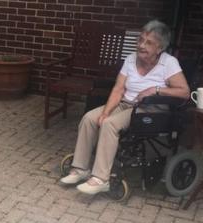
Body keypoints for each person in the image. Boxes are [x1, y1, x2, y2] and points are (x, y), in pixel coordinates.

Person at [59, 20, 190, 195]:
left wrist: (156, 89)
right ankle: (81, 168)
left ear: (159, 48)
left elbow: (184, 92)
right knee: (90, 118)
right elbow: (118, 89)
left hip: (149, 111)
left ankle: (101, 179)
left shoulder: (169, 63)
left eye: (148, 42)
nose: (141, 45)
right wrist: (105, 112)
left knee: (110, 124)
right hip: (126, 104)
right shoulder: (130, 59)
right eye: (140, 40)